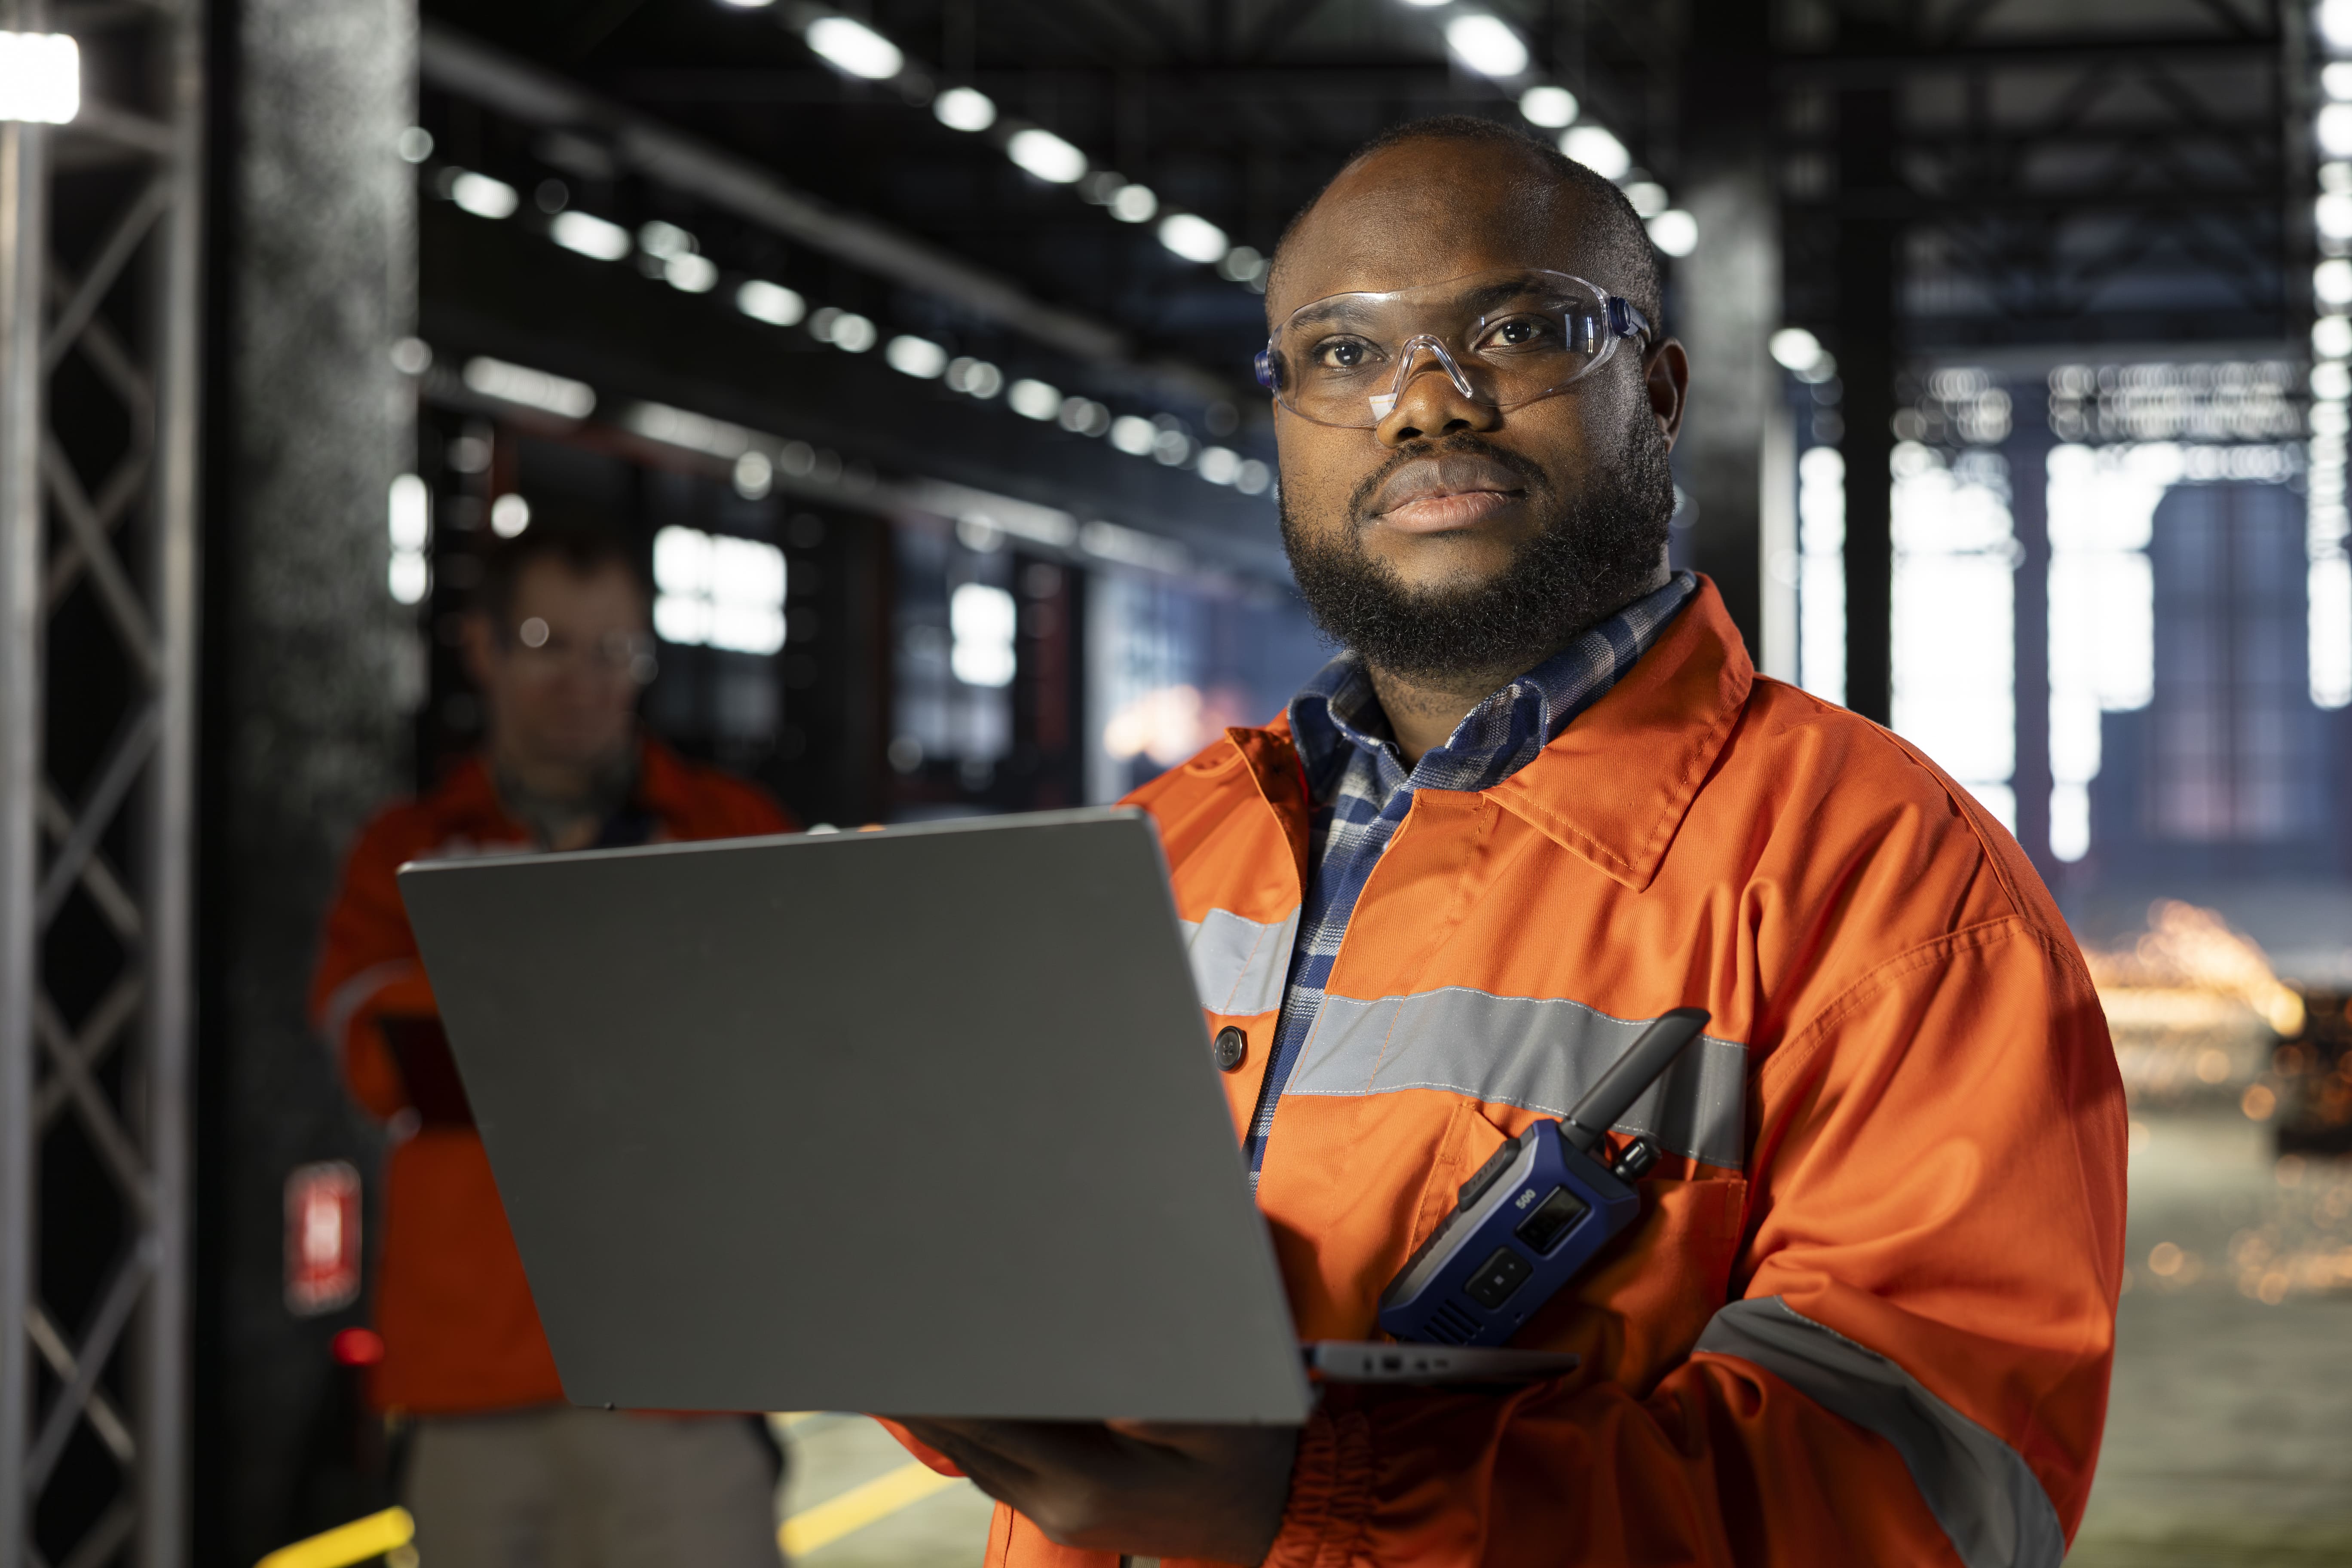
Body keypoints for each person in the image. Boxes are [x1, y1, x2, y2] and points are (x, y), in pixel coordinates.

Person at [892, 117, 2126, 1567]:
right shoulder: (1154, 856)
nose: (1427, 405)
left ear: (1658, 393)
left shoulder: (1893, 892)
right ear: (1281, 417)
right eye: (1345, 354)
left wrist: (1331, 1501)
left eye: (1518, 328)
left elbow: (1921, 1498)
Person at [310, 527, 794, 1568]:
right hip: (472, 1383)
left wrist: (500, 995)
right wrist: (628, 1001)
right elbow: (378, 1057)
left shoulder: (730, 828)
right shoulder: (407, 848)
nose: (583, 679)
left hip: (689, 1384)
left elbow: (785, 1063)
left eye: (615, 649)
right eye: (546, 640)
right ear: (480, 649)